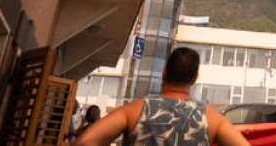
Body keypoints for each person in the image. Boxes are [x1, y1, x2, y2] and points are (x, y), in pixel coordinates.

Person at [73, 47, 249, 146]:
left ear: (164, 72)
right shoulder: (212, 118)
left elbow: (85, 142)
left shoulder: (135, 109)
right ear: (195, 78)